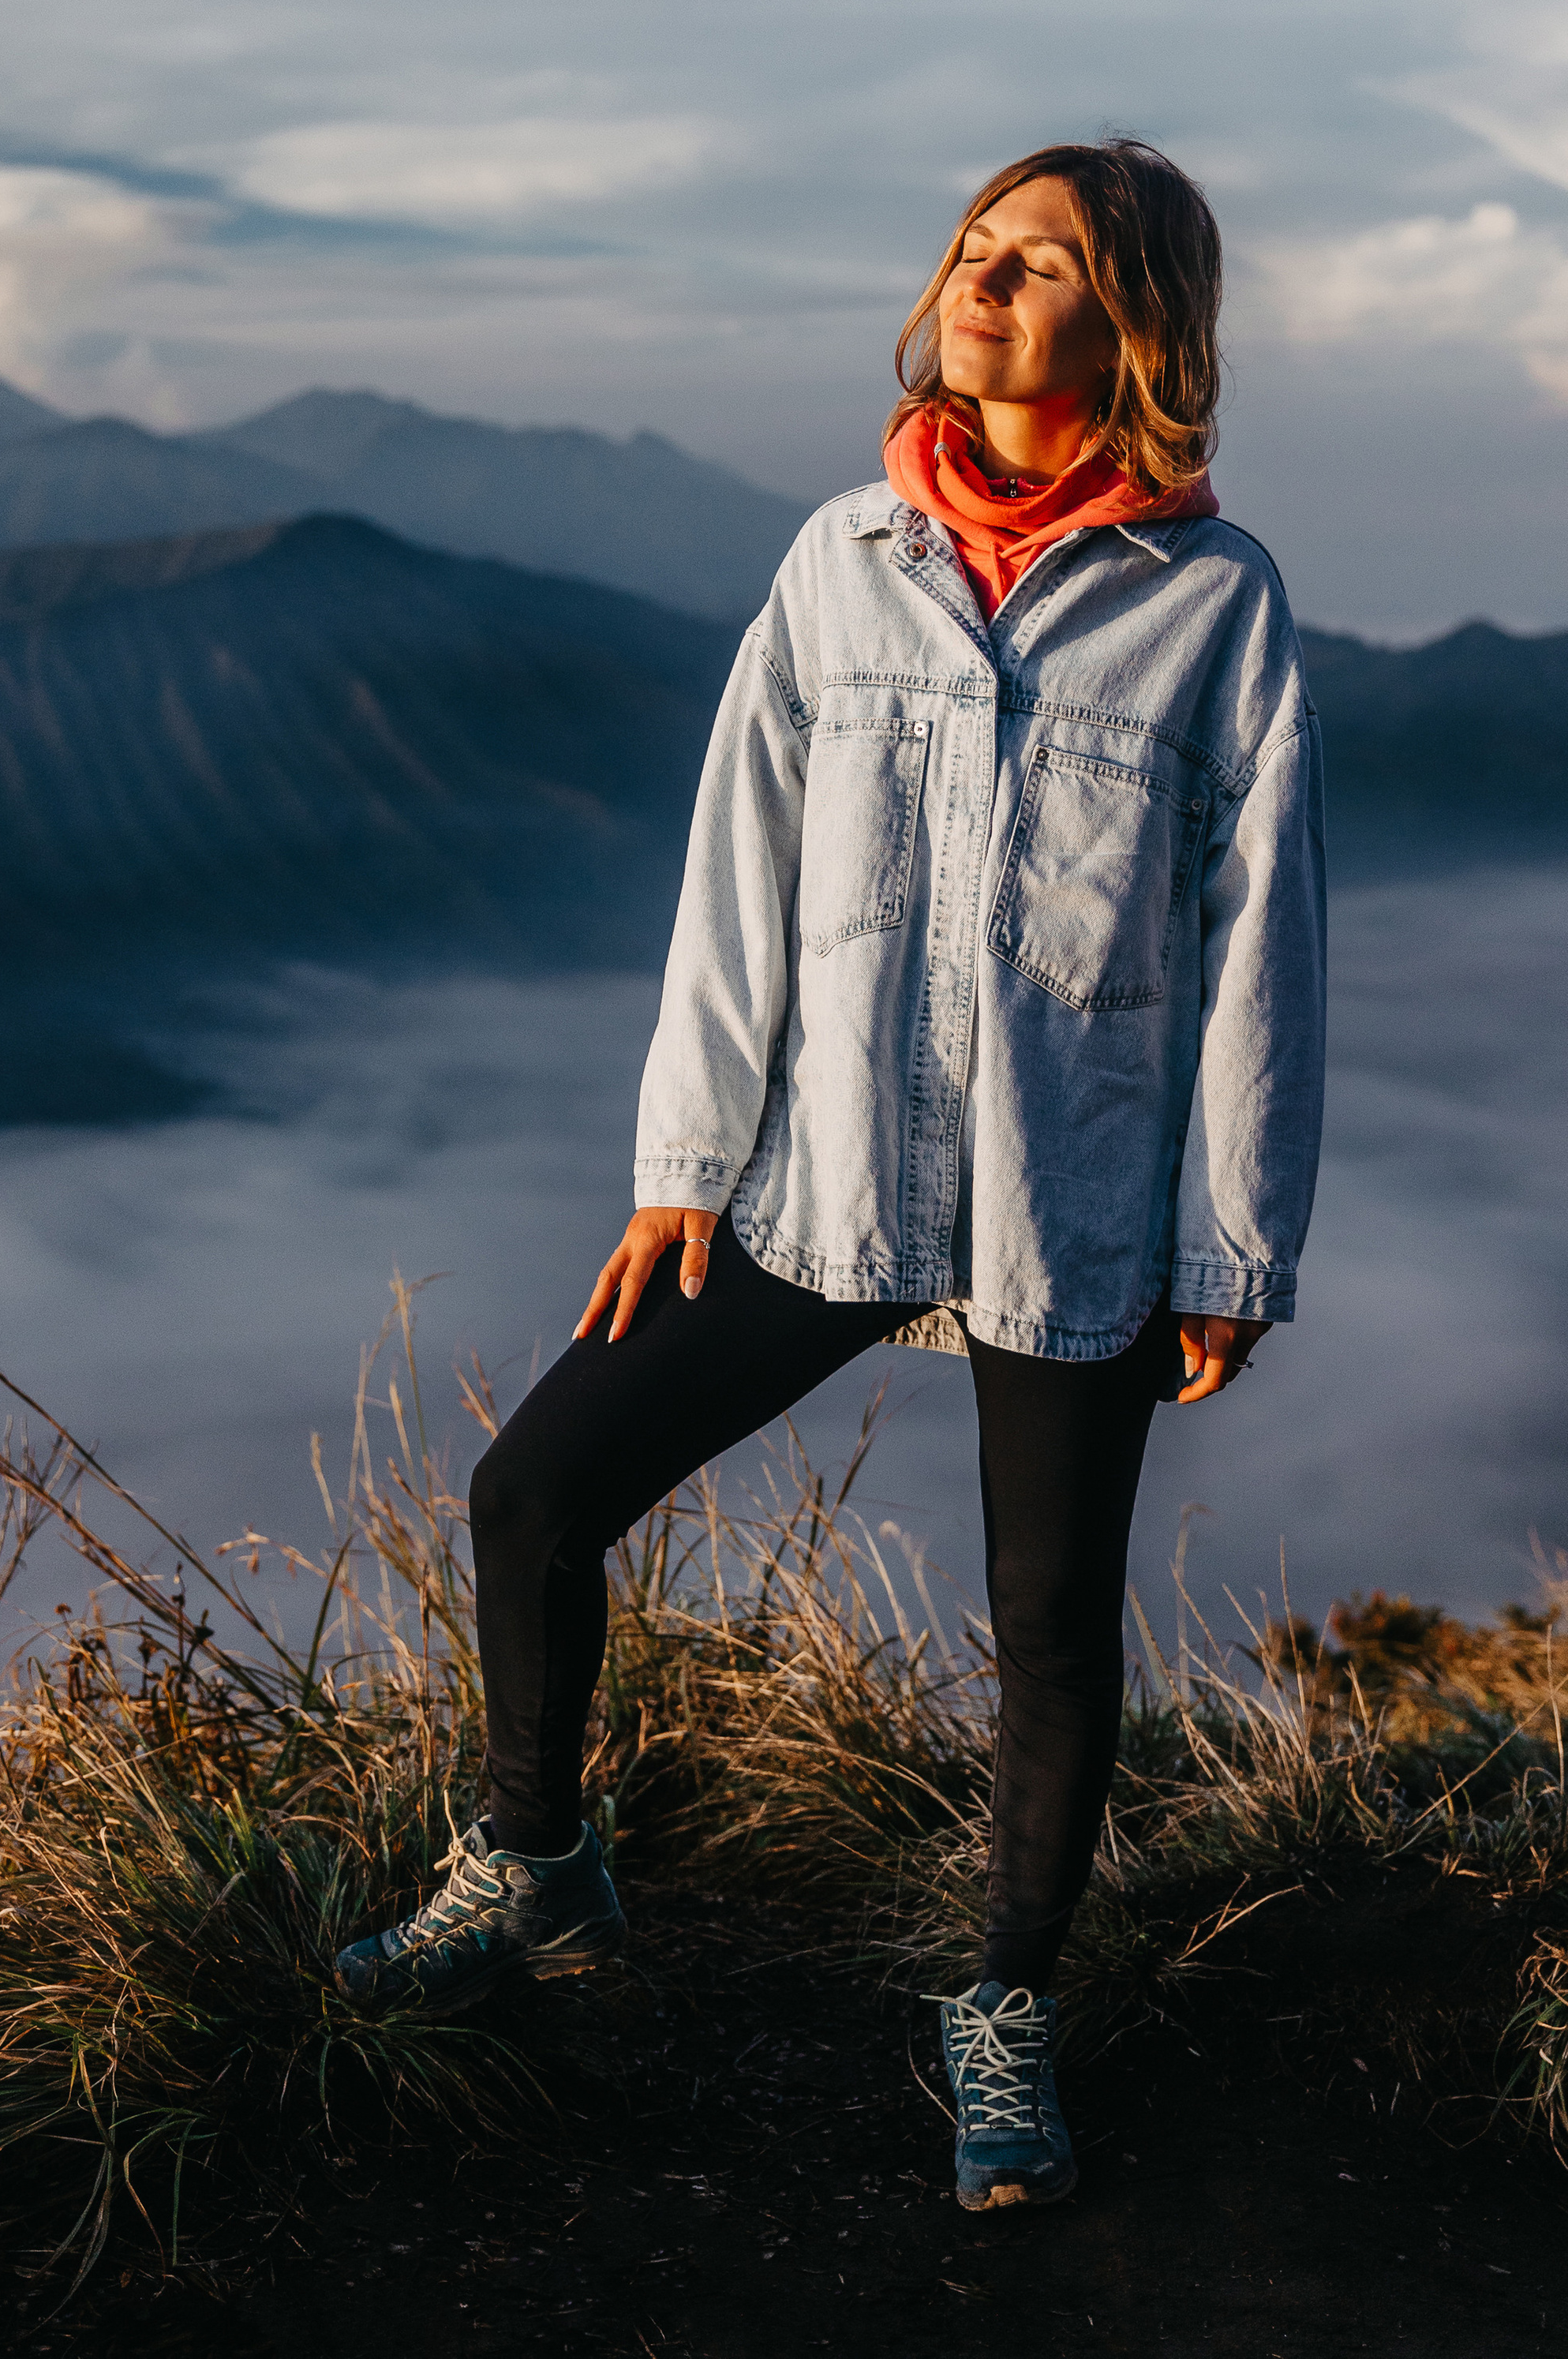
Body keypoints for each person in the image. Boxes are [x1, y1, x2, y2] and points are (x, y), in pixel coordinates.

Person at [335, 138, 1326, 2213]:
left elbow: (1262, 948)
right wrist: (683, 1160)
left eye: (1044, 262)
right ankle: (533, 1866)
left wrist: (1235, 1245)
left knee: (1049, 1628)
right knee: (537, 1492)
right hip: (826, 1179)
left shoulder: (1212, 606)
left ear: (1129, 324)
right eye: (975, 249)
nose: (989, 283)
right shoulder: (840, 560)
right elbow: (734, 880)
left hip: (1076, 1205)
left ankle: (1005, 2015)